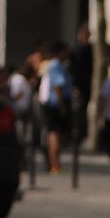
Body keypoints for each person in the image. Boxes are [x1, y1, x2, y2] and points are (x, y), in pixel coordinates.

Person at [37, 42, 74, 174]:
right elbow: (58, 87)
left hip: (54, 103)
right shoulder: (56, 66)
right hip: (55, 104)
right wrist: (62, 105)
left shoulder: (56, 66)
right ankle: (54, 164)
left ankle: (55, 163)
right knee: (55, 133)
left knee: (56, 133)